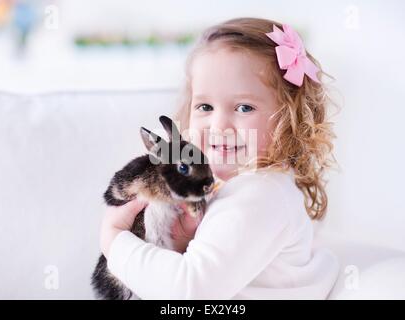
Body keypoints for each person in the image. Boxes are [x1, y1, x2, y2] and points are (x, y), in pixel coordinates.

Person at [99, 17, 340, 299]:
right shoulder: (233, 187)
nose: (219, 126)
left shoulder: (260, 193)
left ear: (288, 119)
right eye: (205, 106)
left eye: (244, 107)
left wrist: (114, 240)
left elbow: (190, 291)